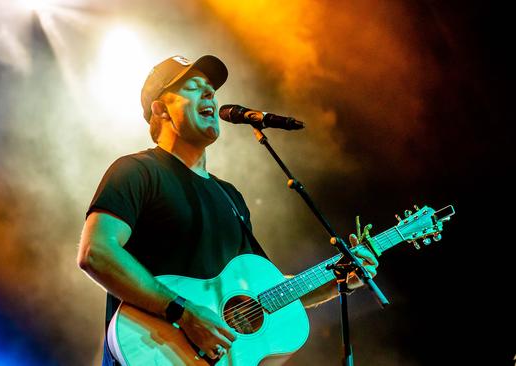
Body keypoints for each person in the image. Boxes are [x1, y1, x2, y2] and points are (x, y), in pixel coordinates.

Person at [77, 55, 379, 365]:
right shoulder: (137, 171)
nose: (209, 94)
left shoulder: (230, 197)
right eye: (194, 88)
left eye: (210, 88)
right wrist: (183, 312)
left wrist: (335, 281)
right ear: (160, 109)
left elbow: (261, 297)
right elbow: (96, 252)